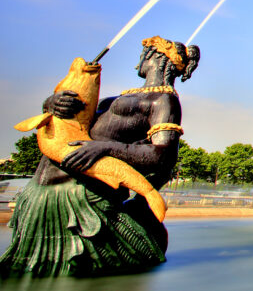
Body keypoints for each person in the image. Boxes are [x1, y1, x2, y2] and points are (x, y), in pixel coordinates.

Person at [0, 37, 198, 277]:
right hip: (43, 193)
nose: (138, 62)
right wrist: (51, 104)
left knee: (66, 271)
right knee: (28, 268)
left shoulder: (164, 100)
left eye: (142, 54)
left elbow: (163, 156)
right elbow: (70, 121)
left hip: (83, 199)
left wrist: (103, 148)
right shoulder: (119, 97)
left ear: (154, 56)